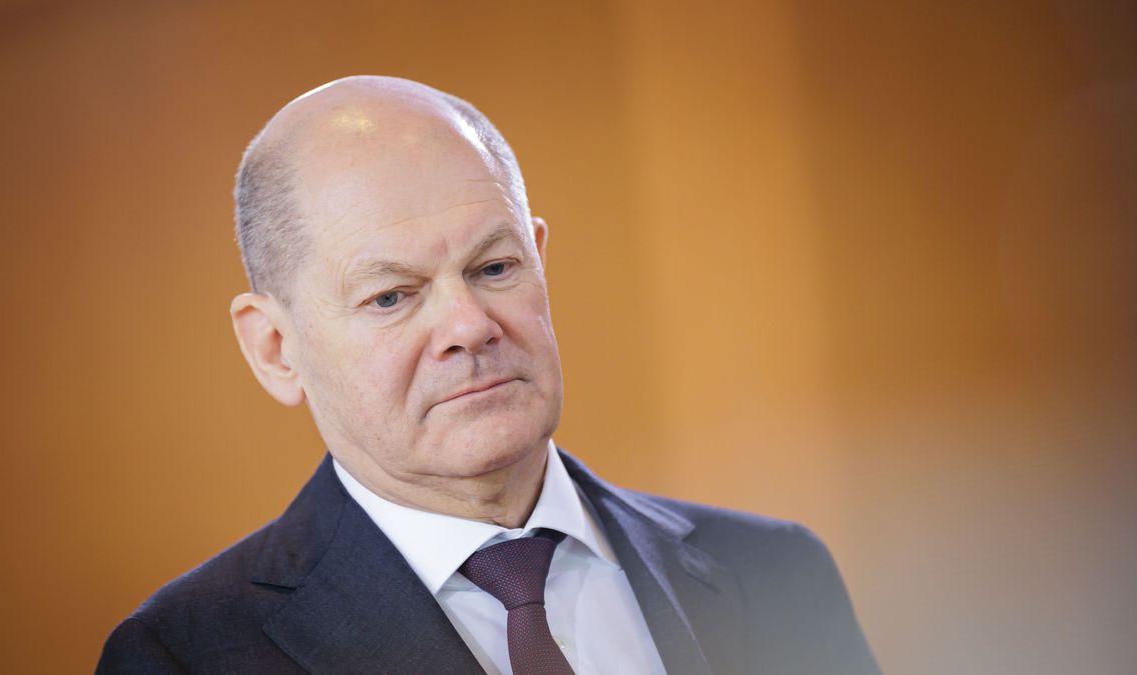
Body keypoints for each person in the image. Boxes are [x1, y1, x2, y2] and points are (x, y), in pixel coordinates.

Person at [96, 75, 880, 675]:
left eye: (495, 266)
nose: (470, 325)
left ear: (540, 259)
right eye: (392, 296)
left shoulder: (777, 575)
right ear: (274, 347)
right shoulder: (185, 656)